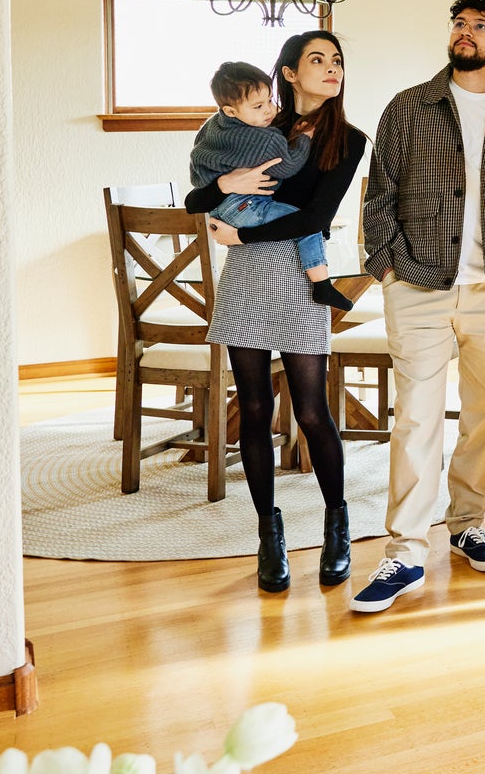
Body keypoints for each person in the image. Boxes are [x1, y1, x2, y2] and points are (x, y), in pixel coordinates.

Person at [350, 0, 485, 615]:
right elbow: (378, 194)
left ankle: (467, 522)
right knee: (416, 418)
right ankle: (405, 552)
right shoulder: (409, 107)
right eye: (460, 24)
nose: (466, 32)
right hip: (419, 284)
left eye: (481, 26)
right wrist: (388, 267)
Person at [185, 31, 367, 593]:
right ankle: (269, 531)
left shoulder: (349, 139)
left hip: (297, 277)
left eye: (337, 60)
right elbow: (195, 201)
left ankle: (337, 523)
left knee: (312, 412)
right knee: (255, 408)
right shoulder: (259, 122)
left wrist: (239, 234)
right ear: (288, 72)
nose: (332, 68)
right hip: (245, 282)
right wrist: (227, 183)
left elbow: (316, 218)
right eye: (318, 59)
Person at [190, 60, 352, 312]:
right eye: (258, 106)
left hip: (223, 210)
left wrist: (223, 185)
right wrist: (303, 139)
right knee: (310, 230)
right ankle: (322, 285)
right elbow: (287, 166)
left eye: (269, 100)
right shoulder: (262, 137)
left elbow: (196, 188)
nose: (269, 110)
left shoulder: (213, 126)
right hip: (246, 209)